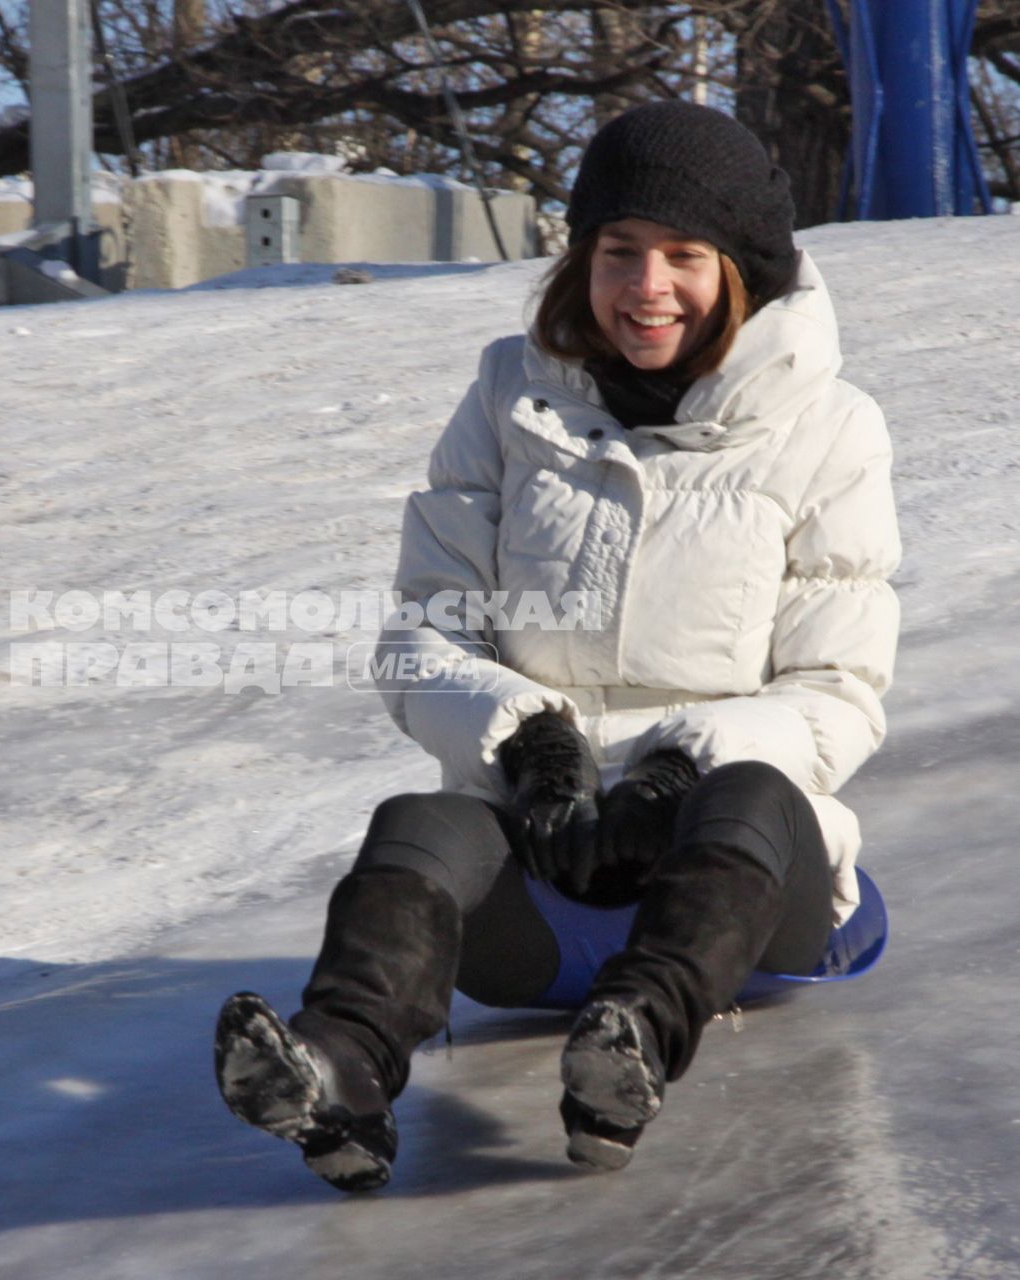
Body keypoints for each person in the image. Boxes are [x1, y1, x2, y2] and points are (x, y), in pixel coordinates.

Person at [213, 100, 901, 1192]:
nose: (647, 286)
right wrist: (529, 742)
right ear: (582, 257)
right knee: (422, 821)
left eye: (684, 254)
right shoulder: (506, 394)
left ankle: (631, 1038)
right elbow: (423, 629)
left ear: (743, 272)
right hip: (537, 880)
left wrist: (677, 765)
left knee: (756, 790)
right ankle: (340, 1062)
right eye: (618, 251)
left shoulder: (831, 426)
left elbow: (838, 687)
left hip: (740, 894)